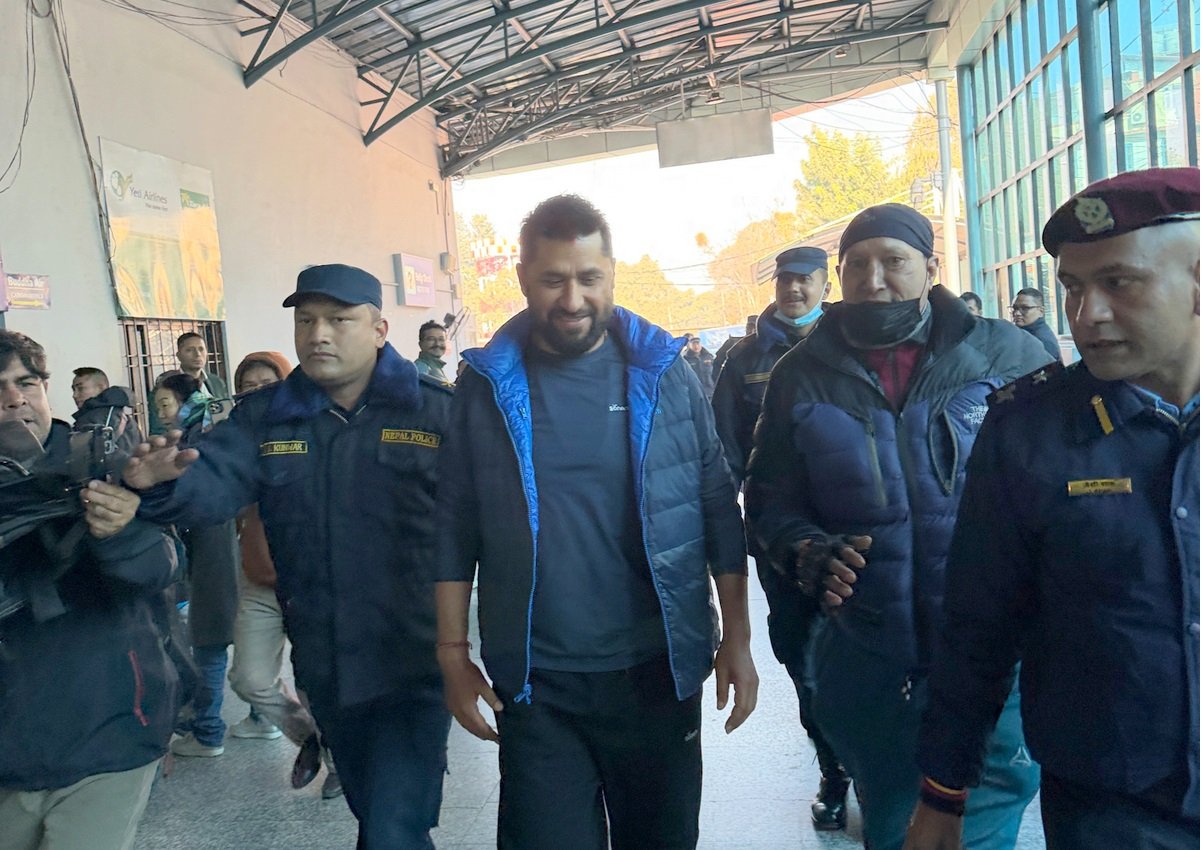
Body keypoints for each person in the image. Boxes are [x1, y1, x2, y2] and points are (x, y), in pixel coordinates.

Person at [435, 194, 758, 850]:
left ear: (611, 274)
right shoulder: (486, 386)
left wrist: (739, 640)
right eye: (553, 280)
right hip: (539, 682)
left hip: (655, 672)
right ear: (523, 279)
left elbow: (717, 509)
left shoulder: (665, 376)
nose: (573, 299)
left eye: (589, 278)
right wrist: (452, 654)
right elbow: (453, 526)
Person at [905, 167, 1200, 850]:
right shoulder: (1027, 434)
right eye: (1073, 287)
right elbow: (979, 624)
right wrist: (944, 791)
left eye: (1119, 283)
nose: (1086, 314)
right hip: (1113, 810)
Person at [745, 202, 1050, 850]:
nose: (874, 279)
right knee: (893, 827)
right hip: (874, 663)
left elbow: (1064, 477)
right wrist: (804, 549)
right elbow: (769, 498)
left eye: (893, 261)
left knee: (984, 824)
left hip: (999, 658)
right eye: (857, 265)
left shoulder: (1005, 353)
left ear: (931, 268)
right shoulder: (801, 374)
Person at [125, 263, 454, 849]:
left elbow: (485, 523)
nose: (318, 334)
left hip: (412, 659)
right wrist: (159, 484)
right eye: (306, 321)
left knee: (394, 825)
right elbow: (212, 481)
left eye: (338, 320)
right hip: (325, 662)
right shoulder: (267, 416)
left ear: (379, 329)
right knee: (372, 807)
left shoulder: (436, 412)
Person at [0, 331, 178, 850]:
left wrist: (118, 530)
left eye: (25, 382)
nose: (14, 398)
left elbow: (164, 568)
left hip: (108, 731)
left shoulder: (105, 463)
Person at [712, 245, 850, 830]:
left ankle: (876, 768)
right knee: (802, 658)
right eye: (785, 280)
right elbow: (721, 451)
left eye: (805, 280)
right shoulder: (743, 360)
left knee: (868, 655)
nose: (794, 289)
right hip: (780, 542)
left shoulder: (852, 344)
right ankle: (834, 770)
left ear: (825, 285)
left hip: (856, 535)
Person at [224, 350, 342, 800]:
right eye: (248, 386)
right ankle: (309, 736)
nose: (258, 393)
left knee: (316, 679)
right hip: (259, 576)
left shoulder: (311, 430)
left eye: (267, 384)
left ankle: (340, 761)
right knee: (249, 678)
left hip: (313, 576)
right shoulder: (239, 436)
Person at [1010, 287, 1061, 361]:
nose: (1017, 313)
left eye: (1025, 308)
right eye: (1014, 308)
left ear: (1041, 311)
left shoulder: (1043, 340)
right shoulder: (1020, 333)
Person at [711, 314, 757, 379]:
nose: (752, 331)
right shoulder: (733, 344)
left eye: (755, 328)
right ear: (746, 328)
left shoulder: (767, 347)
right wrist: (723, 381)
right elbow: (717, 363)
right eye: (749, 327)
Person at [682, 333, 716, 400]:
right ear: (689, 346)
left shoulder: (709, 357)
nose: (696, 346)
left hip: (710, 391)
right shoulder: (685, 359)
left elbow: (715, 372)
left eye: (698, 344)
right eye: (693, 344)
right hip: (695, 392)